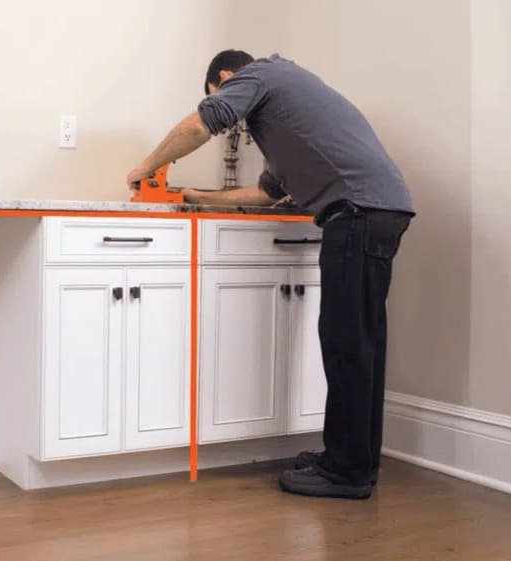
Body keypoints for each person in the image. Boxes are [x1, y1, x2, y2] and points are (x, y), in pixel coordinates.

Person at [126, 50, 415, 500]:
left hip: (357, 211)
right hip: (376, 208)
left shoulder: (261, 74)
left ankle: (347, 473)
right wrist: (193, 195)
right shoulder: (288, 111)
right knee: (360, 342)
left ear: (225, 78)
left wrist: (144, 170)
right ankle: (351, 458)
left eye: (221, 94)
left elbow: (198, 125)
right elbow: (265, 192)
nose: (235, 119)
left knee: (347, 343)